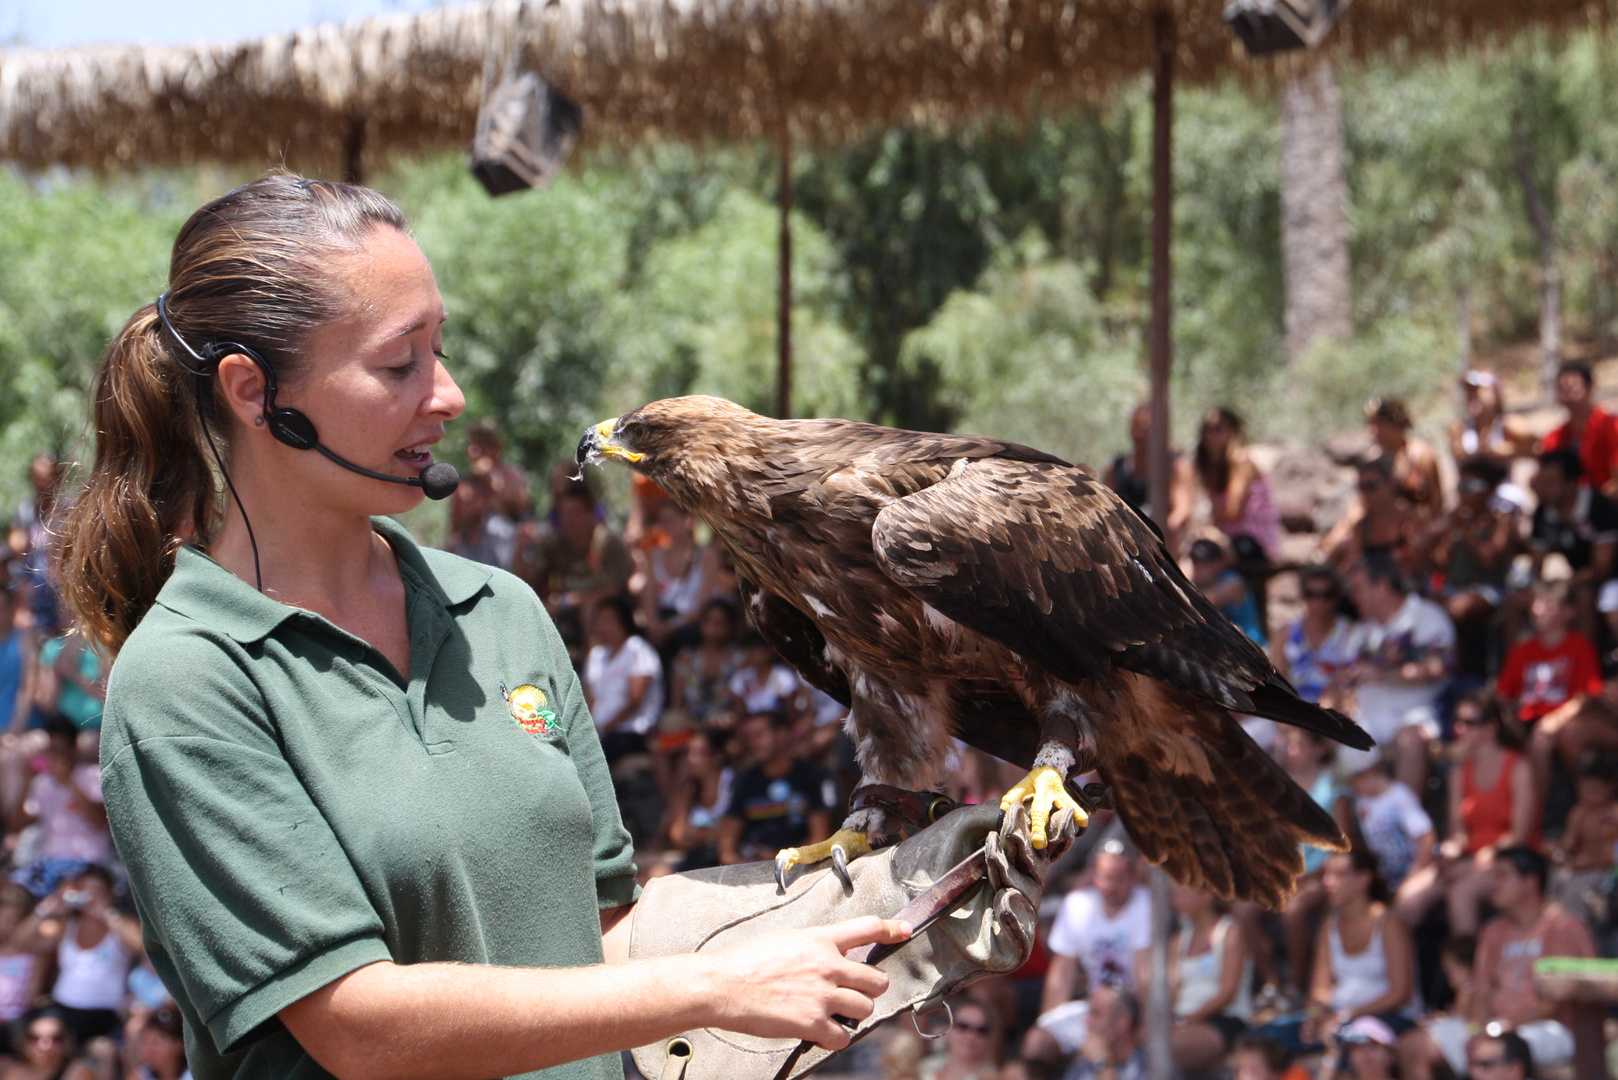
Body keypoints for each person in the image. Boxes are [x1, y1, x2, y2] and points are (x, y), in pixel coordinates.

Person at [55, 176, 908, 1080]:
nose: (450, 395)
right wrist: (714, 987)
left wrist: (863, 908)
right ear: (253, 392)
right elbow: (359, 1025)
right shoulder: (189, 675)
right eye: (400, 364)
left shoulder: (500, 613)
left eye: (441, 349)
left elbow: (598, 945)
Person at [1400, 848, 1592, 1080]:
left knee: (1497, 1055)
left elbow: (1556, 1001)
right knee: (1413, 1045)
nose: (1494, 883)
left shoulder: (1562, 926)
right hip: (1494, 1027)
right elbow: (1482, 990)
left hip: (1550, 1029)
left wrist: (1503, 1028)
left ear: (1530, 882)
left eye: (1502, 875)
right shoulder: (1493, 930)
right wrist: (1478, 1030)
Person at [1396, 694, 1536, 937]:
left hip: (1508, 859)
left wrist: (1479, 861)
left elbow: (1520, 835)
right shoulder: (1459, 773)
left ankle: (1470, 970)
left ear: (1491, 727)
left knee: (1461, 894)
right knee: (1408, 897)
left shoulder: (1519, 767)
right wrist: (1449, 850)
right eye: (1457, 722)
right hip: (1469, 858)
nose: (1460, 729)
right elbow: (1458, 831)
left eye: (1469, 722)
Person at [1337, 551, 1455, 793]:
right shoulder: (1360, 632)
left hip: (1414, 714)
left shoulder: (1427, 617)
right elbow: (1343, 679)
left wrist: (1381, 676)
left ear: (1381, 585)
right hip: (1367, 719)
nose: (1353, 596)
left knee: (1411, 741)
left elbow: (1438, 667)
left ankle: (1405, 820)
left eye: (1358, 588)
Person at [1495, 584, 1608, 801]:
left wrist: (1554, 721)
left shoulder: (1580, 647)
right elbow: (1502, 695)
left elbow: (1587, 696)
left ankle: (1536, 813)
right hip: (1525, 720)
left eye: (1548, 604)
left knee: (1540, 740)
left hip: (1562, 719)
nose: (1538, 610)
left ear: (1569, 612)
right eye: (1536, 604)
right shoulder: (1521, 650)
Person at [1305, 849, 1417, 1046]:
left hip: (1388, 1018)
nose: (1328, 882)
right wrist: (1314, 1015)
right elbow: (1320, 989)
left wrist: (1349, 1014)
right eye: (1326, 874)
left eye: (1339, 875)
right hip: (1340, 1017)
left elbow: (1401, 993)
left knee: (1352, 1042)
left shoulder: (1389, 924)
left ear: (1363, 879)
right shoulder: (1328, 925)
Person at [28, 867, 142, 1044]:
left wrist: (107, 914)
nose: (90, 897)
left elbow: (141, 948)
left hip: (104, 1012)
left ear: (110, 894)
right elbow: (20, 943)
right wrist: (47, 908)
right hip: (63, 1006)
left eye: (97, 891)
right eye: (85, 891)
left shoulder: (121, 926)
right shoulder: (65, 926)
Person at [1148, 884, 1252, 1076]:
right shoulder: (1178, 941)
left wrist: (1188, 1020)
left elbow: (1227, 993)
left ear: (1207, 895)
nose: (1176, 902)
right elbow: (1171, 990)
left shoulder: (1230, 933)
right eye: (1175, 896)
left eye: (1183, 896)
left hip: (1223, 1019)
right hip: (1184, 1020)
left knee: (1167, 1051)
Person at [10, 721, 112, 900]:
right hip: (49, 862)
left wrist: (70, 784)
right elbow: (16, 825)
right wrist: (26, 782)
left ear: (73, 749)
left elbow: (99, 823)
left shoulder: (93, 776)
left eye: (60, 749)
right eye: (52, 750)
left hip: (90, 863)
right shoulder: (42, 783)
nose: (55, 756)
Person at [717, 710, 835, 864]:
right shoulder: (743, 781)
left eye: (759, 735)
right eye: (748, 737)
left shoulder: (813, 777)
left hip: (803, 870)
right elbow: (726, 846)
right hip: (752, 869)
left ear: (782, 734)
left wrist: (777, 858)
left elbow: (819, 840)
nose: (752, 743)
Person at [1525, 449, 1618, 643]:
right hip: (1565, 581)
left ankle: (1584, 665)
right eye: (1541, 481)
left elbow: (1602, 569)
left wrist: (1565, 584)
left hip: (1606, 581)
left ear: (1571, 483)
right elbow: (1536, 563)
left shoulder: (1600, 508)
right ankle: (1519, 665)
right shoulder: (1542, 512)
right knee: (1518, 600)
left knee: (1583, 595)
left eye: (1550, 483)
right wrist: (1544, 588)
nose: (1542, 489)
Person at [580, 596, 664, 765]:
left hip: (631, 729)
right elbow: (590, 699)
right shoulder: (596, 655)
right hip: (599, 732)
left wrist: (604, 727)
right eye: (599, 620)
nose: (602, 626)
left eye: (608, 619)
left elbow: (634, 701)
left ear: (623, 620)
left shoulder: (638, 650)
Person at [1104, 404, 1195, 558]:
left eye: (1145, 428)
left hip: (1164, 547)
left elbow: (1181, 513)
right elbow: (1104, 508)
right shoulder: (1116, 467)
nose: (1140, 434)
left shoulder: (1177, 465)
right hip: (1123, 545)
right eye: (1136, 427)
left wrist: (1150, 534)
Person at [1194, 408, 1282, 564]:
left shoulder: (1240, 461)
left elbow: (1232, 511)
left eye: (1218, 429)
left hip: (1253, 541)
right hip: (1230, 538)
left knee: (1207, 555)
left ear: (1233, 431)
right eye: (1206, 429)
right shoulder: (1215, 466)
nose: (1210, 435)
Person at [1341, 751, 1434, 895]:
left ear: (1369, 773)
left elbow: (1426, 839)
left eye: (1353, 780)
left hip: (1414, 872)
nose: (1351, 787)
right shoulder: (1362, 804)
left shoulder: (1400, 797)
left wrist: (1411, 878)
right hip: (1388, 879)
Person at [1319, 457, 1421, 578]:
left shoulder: (1409, 518)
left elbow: (1417, 563)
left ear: (1390, 482)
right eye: (1361, 487)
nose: (1367, 492)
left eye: (1372, 484)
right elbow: (1354, 563)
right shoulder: (1362, 526)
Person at [1549, 751, 1618, 924]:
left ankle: (1574, 930)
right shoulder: (1579, 813)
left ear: (1609, 786)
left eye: (1594, 790)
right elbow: (1568, 844)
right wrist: (1557, 852)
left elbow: (1612, 857)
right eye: (1584, 790)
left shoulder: (1614, 815)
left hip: (1604, 873)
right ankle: (1550, 925)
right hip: (1581, 867)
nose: (1588, 796)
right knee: (1556, 877)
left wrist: (1586, 864)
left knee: (1577, 889)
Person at [1274, 568, 1355, 705]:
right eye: (1311, 594)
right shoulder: (1284, 633)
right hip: (1292, 708)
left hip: (1336, 709)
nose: (1318, 602)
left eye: (1326, 595)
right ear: (1303, 596)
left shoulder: (1350, 632)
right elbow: (1276, 680)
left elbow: (1349, 684)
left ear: (1337, 596)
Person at [1539, 360, 1618, 498]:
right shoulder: (1556, 437)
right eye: (1562, 390)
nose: (1568, 396)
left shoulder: (1611, 426)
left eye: (1573, 389)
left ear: (1590, 388)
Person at [662, 728, 734, 872]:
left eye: (700, 753)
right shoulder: (688, 789)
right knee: (656, 873)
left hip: (726, 859)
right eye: (688, 753)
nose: (691, 759)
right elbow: (676, 835)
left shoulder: (732, 782)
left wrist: (697, 835)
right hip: (696, 857)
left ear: (717, 755)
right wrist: (712, 834)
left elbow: (734, 831)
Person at [1364, 397, 1443, 518]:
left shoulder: (1420, 454)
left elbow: (1436, 500)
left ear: (1395, 424)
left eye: (1379, 424)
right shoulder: (1376, 460)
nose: (1373, 432)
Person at [1449, 371, 1534, 477]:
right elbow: (1459, 461)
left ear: (1495, 394)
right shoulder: (1459, 428)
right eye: (1469, 391)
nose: (1471, 396)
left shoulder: (1507, 424)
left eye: (1477, 391)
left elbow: (1537, 447)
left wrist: (1507, 451)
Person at [1056, 988, 1148, 1080]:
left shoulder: (1151, 1066)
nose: (1087, 1022)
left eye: (1096, 1014)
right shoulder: (1083, 1066)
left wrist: (1102, 1063)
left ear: (1121, 1022)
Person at [1189, 540, 1264, 646]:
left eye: (1207, 563)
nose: (1200, 568)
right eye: (1196, 562)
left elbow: (1200, 604)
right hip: (1220, 647)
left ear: (1219, 563)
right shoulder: (1195, 584)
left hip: (1250, 645)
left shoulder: (1233, 581)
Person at [917, 997, 1002, 1080]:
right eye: (962, 1026)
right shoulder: (925, 1067)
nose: (971, 1036)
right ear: (946, 1028)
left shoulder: (991, 1076)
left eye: (981, 1030)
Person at [1, 1008, 96, 1080]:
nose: (44, 1046)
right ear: (23, 1040)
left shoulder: (77, 1072)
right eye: (34, 1038)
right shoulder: (7, 1067)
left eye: (56, 1039)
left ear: (67, 1042)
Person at [125, 1005, 188, 1080]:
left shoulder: (197, 1075)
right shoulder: (139, 1077)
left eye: (156, 1043)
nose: (149, 1050)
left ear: (180, 1044)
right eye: (146, 1042)